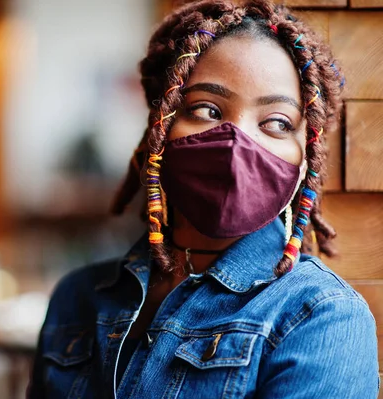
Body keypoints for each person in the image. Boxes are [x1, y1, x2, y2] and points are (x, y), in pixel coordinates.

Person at [27, 0, 379, 397]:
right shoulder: (76, 298)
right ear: (157, 132)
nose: (236, 142)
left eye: (277, 123)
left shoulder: (319, 317)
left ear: (305, 161)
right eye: (207, 109)